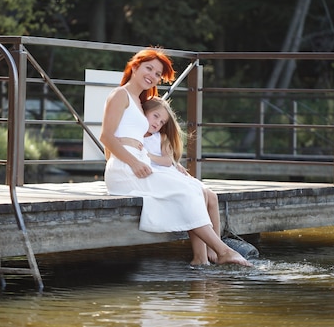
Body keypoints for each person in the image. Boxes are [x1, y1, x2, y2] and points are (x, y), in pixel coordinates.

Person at [100, 47, 252, 268]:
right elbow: (106, 136)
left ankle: (202, 259)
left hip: (135, 163)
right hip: (127, 167)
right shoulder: (119, 94)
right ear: (135, 66)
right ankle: (223, 251)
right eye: (148, 68)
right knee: (184, 191)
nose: (152, 75)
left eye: (157, 73)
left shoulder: (138, 99)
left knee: (193, 189)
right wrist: (130, 164)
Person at [142, 96, 221, 265]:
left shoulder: (160, 138)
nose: (157, 123)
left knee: (212, 196)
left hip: (170, 172)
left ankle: (213, 247)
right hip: (160, 177)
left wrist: (149, 156)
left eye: (162, 121)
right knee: (199, 195)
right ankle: (200, 256)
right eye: (155, 116)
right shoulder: (136, 137)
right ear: (144, 111)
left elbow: (167, 160)